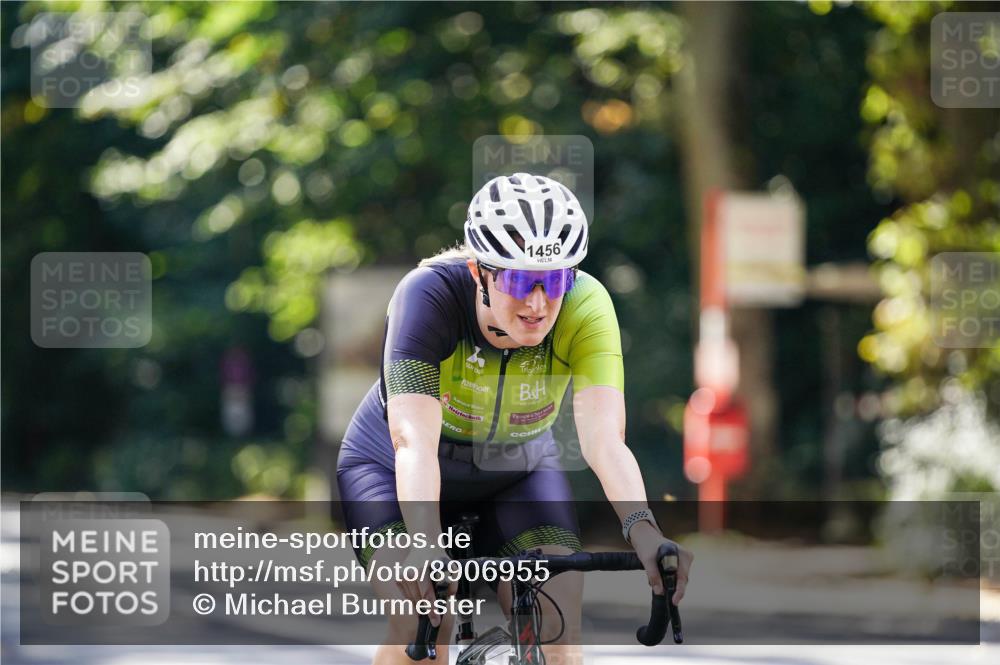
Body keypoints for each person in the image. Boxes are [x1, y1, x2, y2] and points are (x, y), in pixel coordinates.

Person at [337, 173, 693, 665]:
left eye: (557, 280)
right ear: (479, 272)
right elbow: (411, 439)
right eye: (521, 280)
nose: (538, 303)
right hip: (390, 468)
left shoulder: (587, 307)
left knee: (557, 634)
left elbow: (605, 440)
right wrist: (424, 542)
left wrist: (644, 531)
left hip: (517, 470)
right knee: (424, 623)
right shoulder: (428, 295)